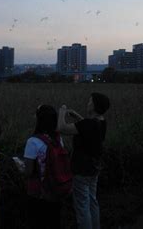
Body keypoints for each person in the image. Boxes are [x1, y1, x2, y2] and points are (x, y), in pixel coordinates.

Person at [57, 92, 110, 229]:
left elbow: (62, 128)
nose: (87, 103)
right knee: (92, 201)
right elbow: (87, 127)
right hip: (94, 169)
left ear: (94, 106)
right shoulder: (102, 122)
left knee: (82, 206)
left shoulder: (88, 124)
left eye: (89, 102)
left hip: (81, 170)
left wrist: (62, 112)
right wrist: (78, 117)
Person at [22, 105, 70, 229]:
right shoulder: (58, 139)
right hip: (56, 189)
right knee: (54, 222)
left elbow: (28, 172)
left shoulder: (32, 142)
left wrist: (20, 167)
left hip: (38, 193)